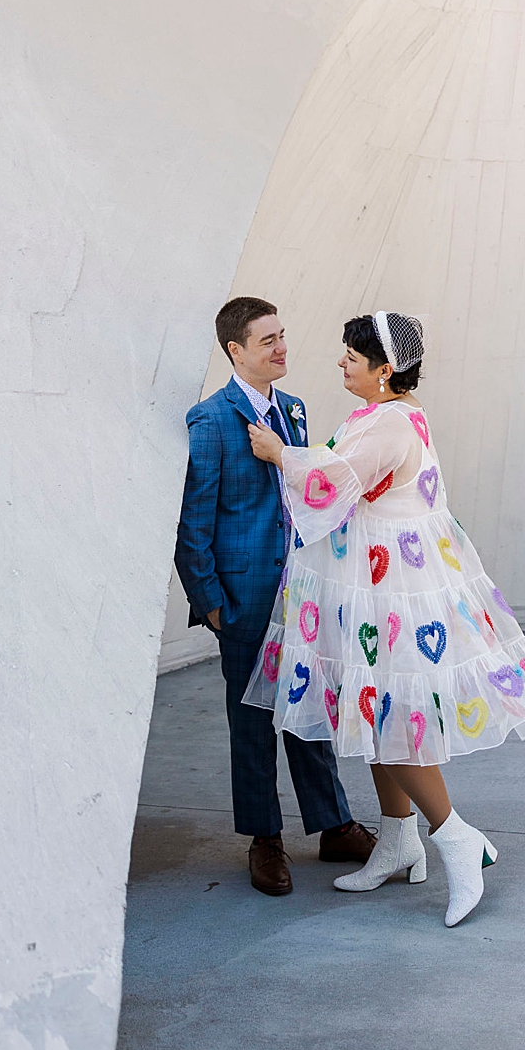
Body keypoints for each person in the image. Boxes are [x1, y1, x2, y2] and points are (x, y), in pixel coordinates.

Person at [241, 311, 525, 927]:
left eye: (351, 357)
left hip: (392, 588)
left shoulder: (390, 422)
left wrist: (281, 454)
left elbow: (338, 478)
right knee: (375, 710)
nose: (340, 362)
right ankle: (398, 838)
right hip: (376, 584)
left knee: (394, 713)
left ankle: (455, 836)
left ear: (384, 370)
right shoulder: (385, 412)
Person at [174, 297, 376, 896]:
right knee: (253, 721)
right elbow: (193, 523)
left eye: (283, 335)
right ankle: (265, 840)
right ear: (235, 351)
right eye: (268, 341)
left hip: (302, 596)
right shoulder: (209, 420)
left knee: (308, 709)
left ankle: (333, 824)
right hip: (244, 600)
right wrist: (211, 603)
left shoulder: (293, 409)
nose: (282, 347)